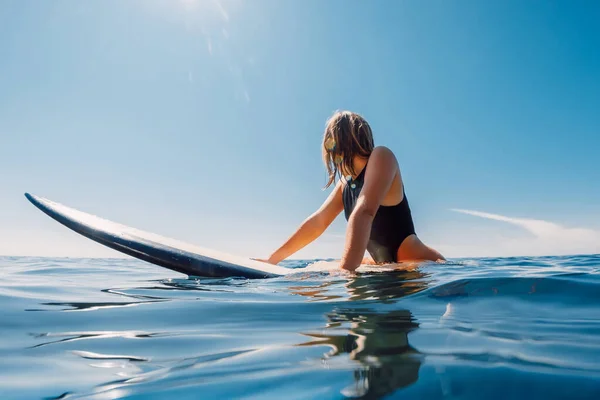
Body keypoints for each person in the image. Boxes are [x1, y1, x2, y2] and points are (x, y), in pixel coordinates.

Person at [260, 110, 445, 272]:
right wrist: (272, 260)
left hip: (425, 266)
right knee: (320, 266)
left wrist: (346, 272)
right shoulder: (345, 184)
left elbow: (364, 211)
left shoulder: (381, 156)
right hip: (389, 269)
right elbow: (318, 221)